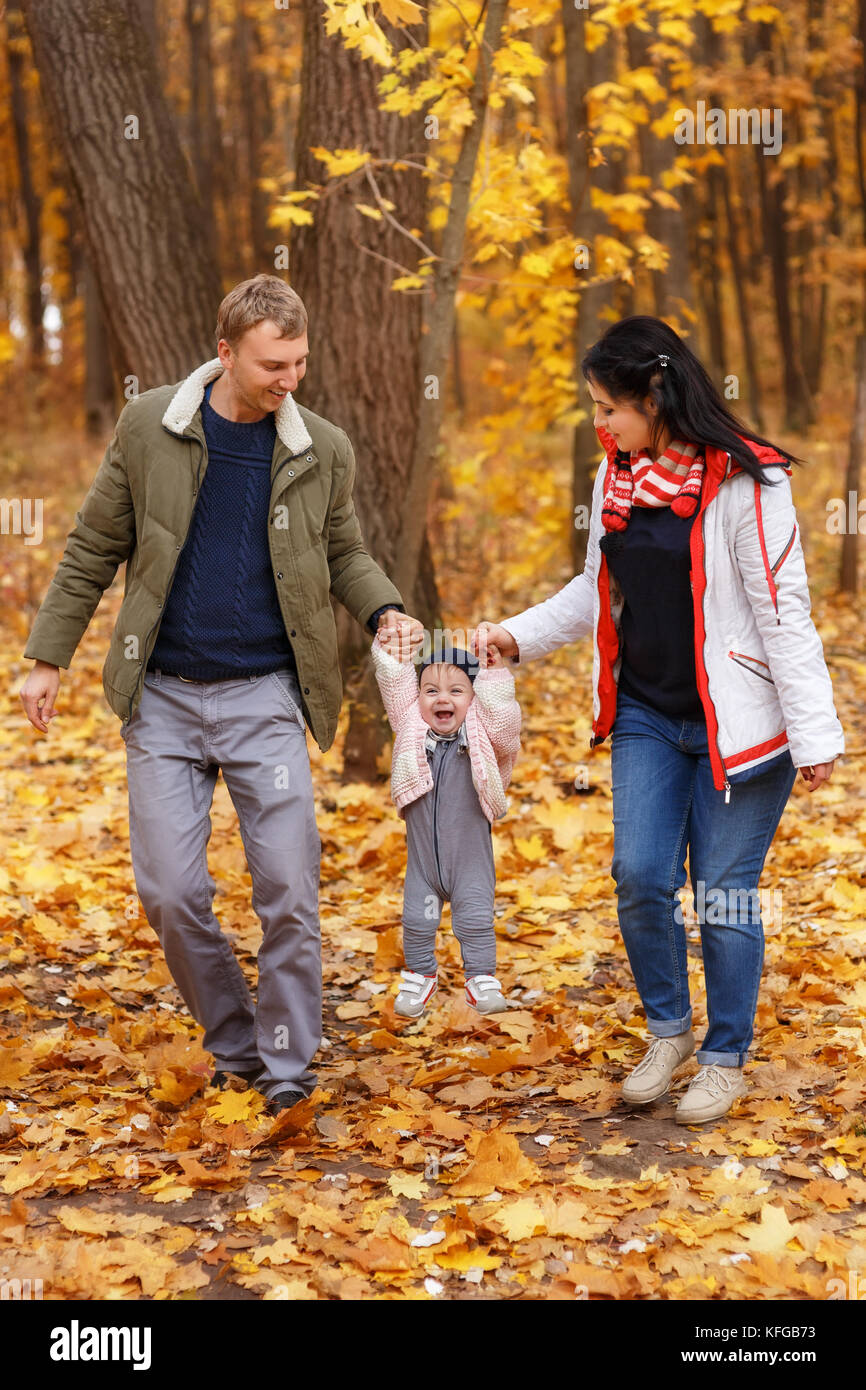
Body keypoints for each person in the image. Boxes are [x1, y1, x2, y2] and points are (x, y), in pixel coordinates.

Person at [19, 273, 424, 1115]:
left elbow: (343, 550)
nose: (290, 380)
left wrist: (384, 607)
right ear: (224, 352)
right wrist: (46, 657)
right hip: (162, 698)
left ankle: (284, 1068)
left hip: (266, 699)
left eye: (300, 362)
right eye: (273, 363)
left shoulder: (322, 447)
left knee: (289, 888)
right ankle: (235, 1041)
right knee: (169, 891)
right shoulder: (150, 426)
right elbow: (95, 544)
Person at [472, 314, 844, 1125]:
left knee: (723, 893)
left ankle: (725, 1056)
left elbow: (784, 613)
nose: (599, 423)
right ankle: (670, 1031)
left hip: (739, 726)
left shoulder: (749, 484)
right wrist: (513, 636)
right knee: (640, 877)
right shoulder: (618, 476)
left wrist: (816, 737)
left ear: (655, 395)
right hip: (646, 709)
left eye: (609, 406)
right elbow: (593, 590)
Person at [371, 629, 521, 1017]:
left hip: (469, 861)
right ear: (417, 698)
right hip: (422, 863)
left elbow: (506, 727)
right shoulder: (409, 728)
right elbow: (394, 685)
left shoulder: (481, 735)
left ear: (473, 701)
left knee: (474, 916)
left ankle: (480, 977)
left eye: (457, 691)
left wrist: (492, 676)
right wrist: (391, 650)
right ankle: (421, 975)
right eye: (431, 690)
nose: (442, 698)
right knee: (416, 920)